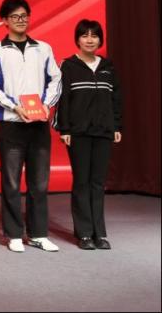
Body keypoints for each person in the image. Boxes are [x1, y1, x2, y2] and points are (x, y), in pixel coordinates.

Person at [0, 0, 62, 252]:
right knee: (12, 181)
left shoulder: (43, 48)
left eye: (24, 16)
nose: (21, 20)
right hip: (11, 124)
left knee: (39, 182)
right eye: (15, 17)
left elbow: (55, 78)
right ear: (4, 21)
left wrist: (46, 105)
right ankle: (14, 234)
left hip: (38, 124)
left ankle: (38, 233)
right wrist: (15, 107)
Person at [54, 19, 122, 250]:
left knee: (98, 183)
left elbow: (116, 99)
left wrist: (116, 127)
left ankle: (99, 233)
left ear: (100, 40)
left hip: (103, 132)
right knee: (82, 182)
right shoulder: (68, 66)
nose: (90, 40)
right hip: (78, 133)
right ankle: (84, 233)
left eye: (94, 35)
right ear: (78, 39)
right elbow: (62, 99)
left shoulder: (108, 67)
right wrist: (64, 129)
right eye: (85, 35)